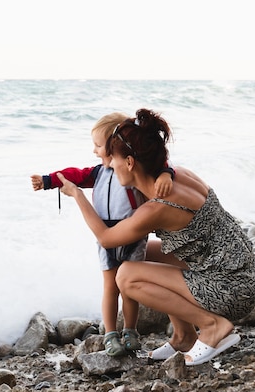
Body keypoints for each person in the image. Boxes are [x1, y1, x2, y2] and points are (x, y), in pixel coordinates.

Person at [56, 108, 255, 366]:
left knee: (126, 275)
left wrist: (77, 195)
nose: (109, 165)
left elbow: (107, 238)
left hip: (230, 290)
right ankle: (183, 336)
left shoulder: (157, 207)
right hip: (245, 275)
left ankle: (212, 326)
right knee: (150, 252)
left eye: (113, 159)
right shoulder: (178, 175)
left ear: (130, 162)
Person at [31, 112, 175, 357]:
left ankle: (130, 331)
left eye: (98, 146)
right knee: (110, 286)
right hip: (105, 235)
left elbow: (159, 166)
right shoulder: (97, 173)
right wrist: (48, 180)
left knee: (129, 288)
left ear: (113, 145)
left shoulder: (130, 170)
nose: (94, 151)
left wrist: (165, 174)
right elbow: (73, 175)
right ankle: (110, 334)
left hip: (133, 234)